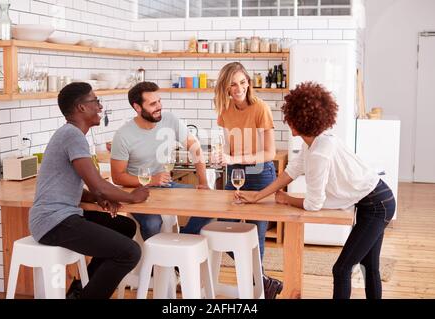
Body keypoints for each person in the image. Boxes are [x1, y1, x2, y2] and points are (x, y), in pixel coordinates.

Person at [236, 81, 396, 299]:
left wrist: (287, 199)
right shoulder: (312, 143)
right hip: (374, 200)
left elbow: (314, 204)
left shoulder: (320, 152)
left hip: (378, 205)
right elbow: (290, 172)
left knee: (342, 269)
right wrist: (257, 196)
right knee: (369, 266)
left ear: (296, 121)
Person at [29, 82, 150, 299]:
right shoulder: (72, 136)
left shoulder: (71, 135)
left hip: (62, 216)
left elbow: (78, 187)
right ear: (81, 108)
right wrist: (133, 196)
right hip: (53, 222)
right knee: (130, 252)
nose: (100, 107)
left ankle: (79, 292)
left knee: (124, 226)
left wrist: (96, 196)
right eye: (95, 101)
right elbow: (99, 185)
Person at [212, 62, 283, 299]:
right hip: (234, 172)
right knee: (221, 227)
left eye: (243, 82)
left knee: (255, 236)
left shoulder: (260, 108)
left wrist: (233, 157)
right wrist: (221, 156)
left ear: (248, 83)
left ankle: (257, 292)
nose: (239, 88)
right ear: (226, 88)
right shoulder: (224, 109)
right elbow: (226, 144)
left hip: (260, 173)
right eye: (233, 84)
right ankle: (264, 283)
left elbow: (269, 153)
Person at [111, 81, 212, 240]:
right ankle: (154, 261)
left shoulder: (169, 119)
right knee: (152, 222)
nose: (159, 106)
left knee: (208, 203)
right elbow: (117, 176)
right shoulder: (123, 135)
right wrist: (151, 180)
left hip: (165, 186)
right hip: (137, 190)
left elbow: (195, 148)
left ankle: (182, 241)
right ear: (137, 107)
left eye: (159, 101)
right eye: (152, 104)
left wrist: (203, 182)